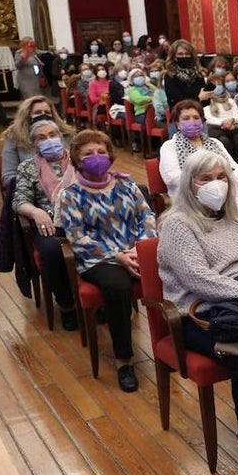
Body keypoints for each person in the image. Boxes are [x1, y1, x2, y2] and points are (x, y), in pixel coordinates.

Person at [157, 150, 238, 472]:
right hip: (201, 312)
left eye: (221, 177)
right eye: (206, 178)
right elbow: (200, 281)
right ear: (190, 184)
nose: (216, 184)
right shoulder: (178, 224)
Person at [58, 130, 157, 392]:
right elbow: (77, 238)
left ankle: (172, 346)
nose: (96, 157)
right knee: (119, 287)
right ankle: (125, 360)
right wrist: (118, 256)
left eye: (101, 151)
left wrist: (138, 249)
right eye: (88, 153)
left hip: (133, 252)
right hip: (98, 259)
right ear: (77, 159)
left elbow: (146, 218)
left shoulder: (126, 184)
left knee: (169, 273)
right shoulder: (70, 195)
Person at [12, 118, 78, 330]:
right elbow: (19, 200)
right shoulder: (28, 167)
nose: (49, 140)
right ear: (34, 144)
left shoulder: (79, 158)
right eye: (41, 138)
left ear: (60, 136)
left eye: (52, 135)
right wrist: (36, 212)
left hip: (83, 218)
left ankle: (99, 298)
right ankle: (67, 305)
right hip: (49, 223)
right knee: (51, 250)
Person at [158, 100, 236, 196]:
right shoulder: (170, 146)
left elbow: (232, 168)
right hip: (187, 198)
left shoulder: (215, 142)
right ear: (178, 124)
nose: (192, 121)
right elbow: (172, 178)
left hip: (222, 192)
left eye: (196, 118)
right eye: (186, 118)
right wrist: (206, 184)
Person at [0, 95, 73, 184]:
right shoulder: (14, 137)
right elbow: (8, 176)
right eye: (38, 112)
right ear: (27, 115)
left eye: (47, 112)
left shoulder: (66, 134)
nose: (43, 116)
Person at [162, 39, 211, 111]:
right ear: (174, 57)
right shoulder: (170, 76)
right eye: (180, 54)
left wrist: (210, 86)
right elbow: (178, 102)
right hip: (180, 115)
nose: (184, 56)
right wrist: (199, 98)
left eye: (187, 54)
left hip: (200, 113)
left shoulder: (198, 74)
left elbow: (205, 98)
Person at [204, 73, 238, 159]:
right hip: (216, 129)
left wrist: (232, 120)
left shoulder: (230, 101)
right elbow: (208, 118)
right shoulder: (206, 102)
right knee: (224, 141)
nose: (217, 87)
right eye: (214, 85)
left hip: (233, 127)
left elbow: (237, 116)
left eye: (219, 84)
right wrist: (223, 122)